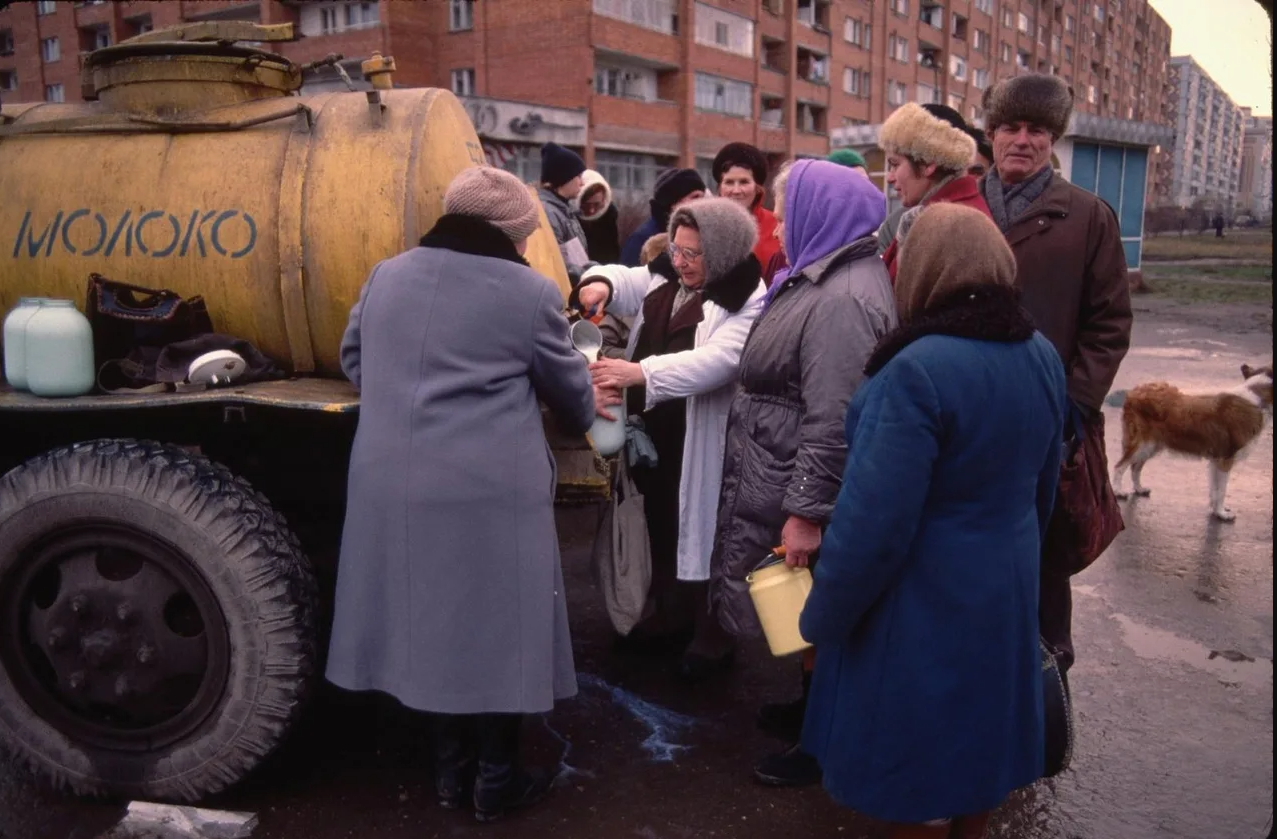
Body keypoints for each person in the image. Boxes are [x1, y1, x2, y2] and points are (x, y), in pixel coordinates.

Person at [326, 166, 599, 823]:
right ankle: (495, 782)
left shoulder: (386, 273)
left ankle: (449, 776)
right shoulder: (529, 293)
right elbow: (575, 398)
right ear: (512, 232)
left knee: (432, 629)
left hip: (389, 478)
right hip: (487, 488)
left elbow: (354, 358)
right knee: (498, 634)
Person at [800, 203, 1067, 839]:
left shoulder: (914, 370)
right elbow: (1044, 490)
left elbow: (873, 524)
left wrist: (823, 617)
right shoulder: (1039, 354)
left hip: (921, 605)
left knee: (916, 779)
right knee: (979, 758)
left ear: (922, 272)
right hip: (1003, 592)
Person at [701, 160, 896, 787]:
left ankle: (823, 741)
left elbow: (833, 417)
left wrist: (807, 512)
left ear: (820, 214)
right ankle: (811, 713)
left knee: (822, 612)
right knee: (809, 615)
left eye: (788, 213)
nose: (778, 226)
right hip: (782, 469)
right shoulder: (823, 276)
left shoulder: (843, 299)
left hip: (804, 483)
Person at [978, 73, 1132, 674]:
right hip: (961, 416)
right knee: (963, 553)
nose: (1023, 140)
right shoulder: (957, 205)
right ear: (990, 135)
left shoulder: (1088, 217)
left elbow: (1109, 323)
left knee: (1042, 557)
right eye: (1010, 127)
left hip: (1044, 422)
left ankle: (1045, 688)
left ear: (1053, 140)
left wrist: (1074, 404)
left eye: (1036, 129)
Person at [573, 198, 767, 655]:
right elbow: (625, 278)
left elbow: (718, 361)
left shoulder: (746, 297)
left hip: (701, 434)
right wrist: (597, 283)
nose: (679, 261)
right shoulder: (668, 275)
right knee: (661, 519)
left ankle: (713, 635)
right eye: (676, 250)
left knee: (706, 531)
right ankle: (669, 613)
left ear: (719, 253)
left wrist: (639, 374)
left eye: (691, 254)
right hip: (657, 428)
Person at [878, 103, 992, 281]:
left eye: (895, 164)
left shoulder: (951, 227)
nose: (890, 178)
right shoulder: (947, 214)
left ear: (928, 163)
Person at [712, 142, 783, 271]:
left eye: (744, 182)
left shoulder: (778, 226)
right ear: (719, 188)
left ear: (757, 188)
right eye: (729, 182)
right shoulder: (705, 227)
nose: (736, 190)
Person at [620, 168, 708, 266]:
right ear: (674, 203)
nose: (703, 202)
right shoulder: (640, 239)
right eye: (695, 197)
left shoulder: (703, 232)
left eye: (703, 197)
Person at [537, 142, 591, 277]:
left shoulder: (564, 210)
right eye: (578, 176)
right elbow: (558, 265)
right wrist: (591, 274)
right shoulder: (549, 213)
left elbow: (578, 261)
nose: (582, 183)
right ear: (564, 178)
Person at [576, 169, 621, 264]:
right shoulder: (571, 220)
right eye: (587, 205)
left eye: (596, 204)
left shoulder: (610, 219)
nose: (591, 210)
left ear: (604, 199)